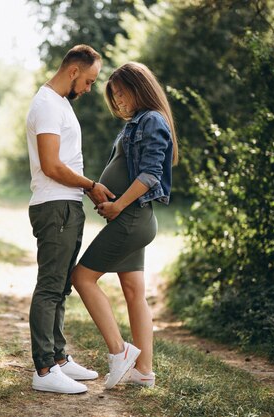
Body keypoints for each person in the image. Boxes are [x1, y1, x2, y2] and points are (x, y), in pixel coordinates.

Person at [71, 61, 178, 389]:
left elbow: (150, 174)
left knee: (82, 277)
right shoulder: (137, 122)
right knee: (134, 292)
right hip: (135, 218)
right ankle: (143, 371)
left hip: (131, 217)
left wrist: (117, 204)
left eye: (121, 93)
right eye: (113, 96)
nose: (117, 101)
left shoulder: (151, 121)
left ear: (139, 88)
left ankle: (120, 353)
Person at [26, 44, 115, 394]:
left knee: (61, 287)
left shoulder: (60, 103)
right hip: (55, 206)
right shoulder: (47, 104)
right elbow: (51, 165)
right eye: (90, 81)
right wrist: (91, 186)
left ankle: (59, 359)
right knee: (50, 286)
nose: (90, 89)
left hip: (67, 204)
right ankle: (44, 370)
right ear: (74, 71)